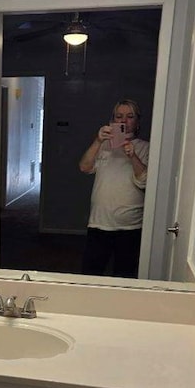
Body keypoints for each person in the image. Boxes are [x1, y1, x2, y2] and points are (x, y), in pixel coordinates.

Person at [79, 99, 149, 278]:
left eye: (130, 116)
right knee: (89, 277)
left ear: (137, 121)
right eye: (119, 116)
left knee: (125, 279)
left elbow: (144, 181)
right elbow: (84, 167)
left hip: (130, 226)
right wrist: (97, 140)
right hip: (99, 223)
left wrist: (132, 155)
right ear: (113, 120)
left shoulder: (144, 147)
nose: (124, 121)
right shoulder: (102, 146)